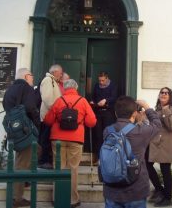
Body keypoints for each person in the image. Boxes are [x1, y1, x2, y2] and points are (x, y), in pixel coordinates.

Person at [44, 79, 97, 208]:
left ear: (64, 88)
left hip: (57, 139)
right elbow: (91, 122)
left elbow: (48, 120)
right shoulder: (82, 101)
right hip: (76, 138)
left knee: (59, 168)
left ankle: (57, 198)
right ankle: (73, 200)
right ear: (76, 87)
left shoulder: (59, 100)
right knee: (73, 169)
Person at [103, 96, 162, 208]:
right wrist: (147, 107)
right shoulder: (141, 131)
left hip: (112, 189)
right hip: (136, 190)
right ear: (134, 114)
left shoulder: (107, 131)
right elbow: (157, 125)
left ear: (116, 113)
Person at [2, 68, 41, 207]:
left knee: (25, 158)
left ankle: (23, 184)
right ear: (26, 76)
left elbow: (6, 108)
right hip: (26, 132)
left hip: (14, 131)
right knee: (22, 163)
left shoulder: (10, 90)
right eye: (31, 75)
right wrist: (37, 122)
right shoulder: (27, 88)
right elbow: (31, 107)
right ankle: (16, 198)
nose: (33, 78)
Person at [145, 87, 172, 207]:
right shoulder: (158, 109)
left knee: (165, 170)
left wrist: (166, 111)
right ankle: (159, 190)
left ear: (170, 96)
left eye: (167, 93)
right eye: (162, 92)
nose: (164, 94)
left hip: (166, 144)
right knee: (146, 163)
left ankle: (168, 197)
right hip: (156, 143)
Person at [38, 64, 63, 169]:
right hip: (48, 116)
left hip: (51, 115)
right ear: (55, 72)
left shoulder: (52, 81)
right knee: (45, 139)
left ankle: (46, 160)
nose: (61, 75)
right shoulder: (48, 80)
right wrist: (56, 110)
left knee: (48, 138)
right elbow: (47, 99)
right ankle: (43, 161)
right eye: (60, 73)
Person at [90, 71, 117, 163]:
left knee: (108, 135)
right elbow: (93, 97)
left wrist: (106, 100)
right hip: (98, 112)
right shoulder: (97, 86)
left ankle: (107, 157)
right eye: (100, 80)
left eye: (103, 80)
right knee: (98, 135)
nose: (101, 82)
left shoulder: (112, 86)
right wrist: (92, 102)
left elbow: (114, 97)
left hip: (108, 113)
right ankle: (98, 157)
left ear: (107, 78)